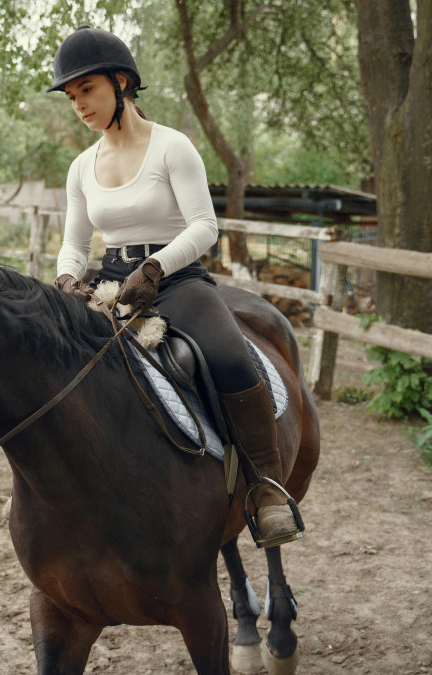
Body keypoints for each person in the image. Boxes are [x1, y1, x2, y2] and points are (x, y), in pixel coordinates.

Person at [49, 25, 303, 548]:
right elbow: (75, 242)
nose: (79, 105)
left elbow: (205, 226)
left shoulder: (172, 146)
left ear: (122, 82)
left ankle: (267, 489)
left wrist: (157, 269)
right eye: (72, 97)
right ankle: (61, 490)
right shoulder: (80, 166)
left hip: (177, 278)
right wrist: (68, 278)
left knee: (230, 356)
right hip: (111, 281)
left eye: (87, 91)